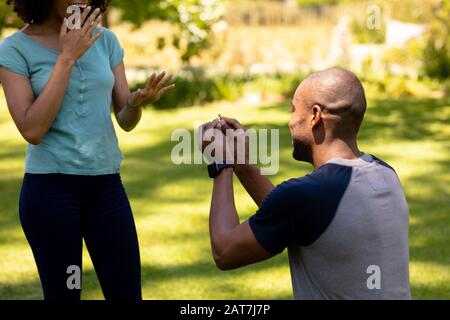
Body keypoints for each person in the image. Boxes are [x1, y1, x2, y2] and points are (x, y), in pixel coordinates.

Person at [0, 0, 175, 300]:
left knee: (126, 294)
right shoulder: (14, 50)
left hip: (106, 190)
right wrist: (66, 57)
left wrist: (135, 103)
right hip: (51, 195)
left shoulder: (106, 40)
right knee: (67, 293)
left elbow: (124, 119)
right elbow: (32, 129)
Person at [199, 67, 411, 299]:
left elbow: (225, 251)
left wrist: (221, 165)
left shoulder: (307, 196)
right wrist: (243, 165)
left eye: (293, 109)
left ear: (315, 116)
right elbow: (295, 217)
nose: (290, 121)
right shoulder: (385, 174)